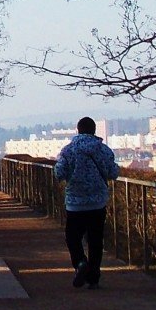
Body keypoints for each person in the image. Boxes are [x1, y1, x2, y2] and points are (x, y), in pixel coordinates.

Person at [55, 117, 119, 288]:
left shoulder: (68, 150)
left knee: (72, 237)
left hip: (75, 203)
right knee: (96, 240)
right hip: (98, 202)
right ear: (94, 130)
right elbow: (113, 173)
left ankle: (80, 262)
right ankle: (94, 278)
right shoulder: (104, 150)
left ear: (78, 130)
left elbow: (59, 173)